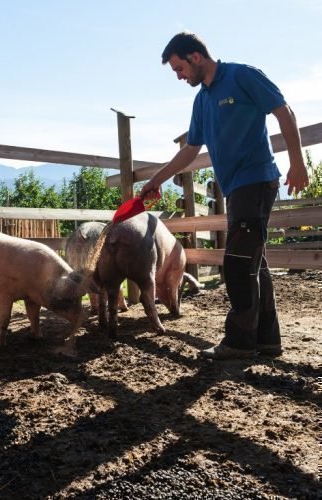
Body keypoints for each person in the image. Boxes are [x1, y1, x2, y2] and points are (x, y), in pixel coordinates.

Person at [140, 32, 309, 360]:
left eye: (179, 68)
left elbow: (283, 111)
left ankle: (240, 342)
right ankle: (267, 340)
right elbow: (190, 149)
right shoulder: (201, 100)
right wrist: (156, 180)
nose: (179, 76)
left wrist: (298, 163)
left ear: (196, 57)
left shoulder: (242, 76)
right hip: (236, 188)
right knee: (253, 263)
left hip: (257, 180)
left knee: (236, 263)